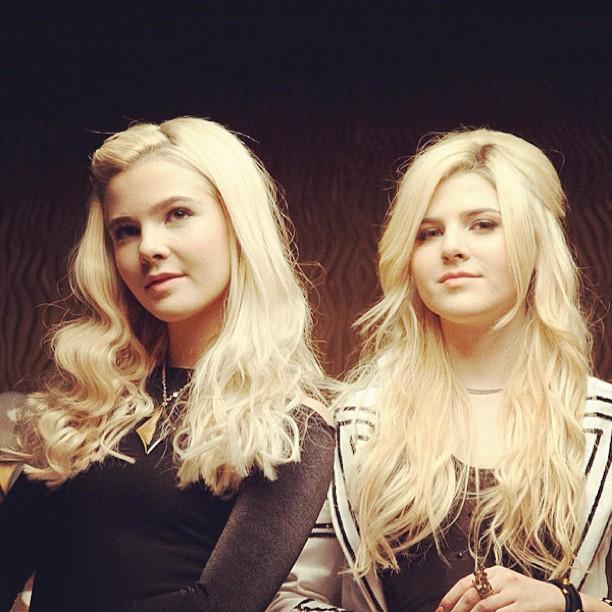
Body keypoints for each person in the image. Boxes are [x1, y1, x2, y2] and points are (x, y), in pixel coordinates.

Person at [0, 117, 334, 612]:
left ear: (237, 224)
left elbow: (220, 605)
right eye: (126, 231)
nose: (149, 248)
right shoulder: (89, 401)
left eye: (177, 214)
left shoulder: (293, 423)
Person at [270, 129, 611, 612]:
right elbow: (290, 596)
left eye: (483, 224)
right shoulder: (351, 425)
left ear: (536, 244)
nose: (451, 247)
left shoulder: (602, 424)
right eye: (428, 233)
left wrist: (568, 605)